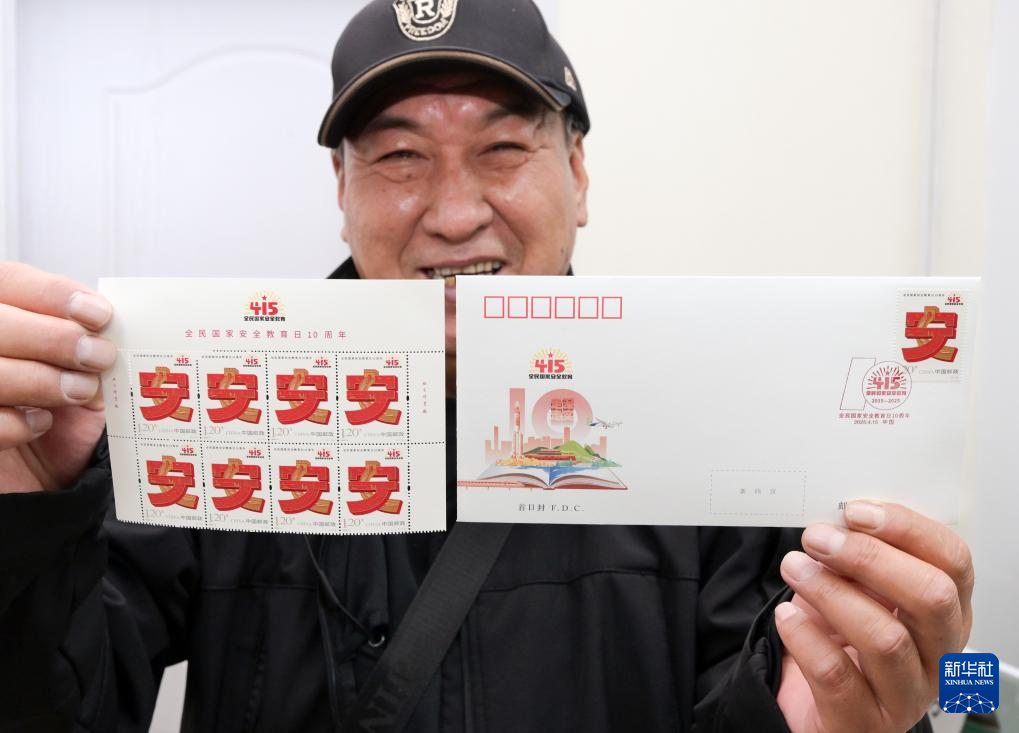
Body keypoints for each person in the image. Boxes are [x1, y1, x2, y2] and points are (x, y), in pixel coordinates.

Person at [0, 1, 973, 731]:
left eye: (502, 148)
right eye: (399, 157)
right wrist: (23, 517)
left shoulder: (715, 430)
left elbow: (782, 696)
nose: (455, 211)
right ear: (340, 188)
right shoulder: (220, 414)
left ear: (577, 175)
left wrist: (825, 716)